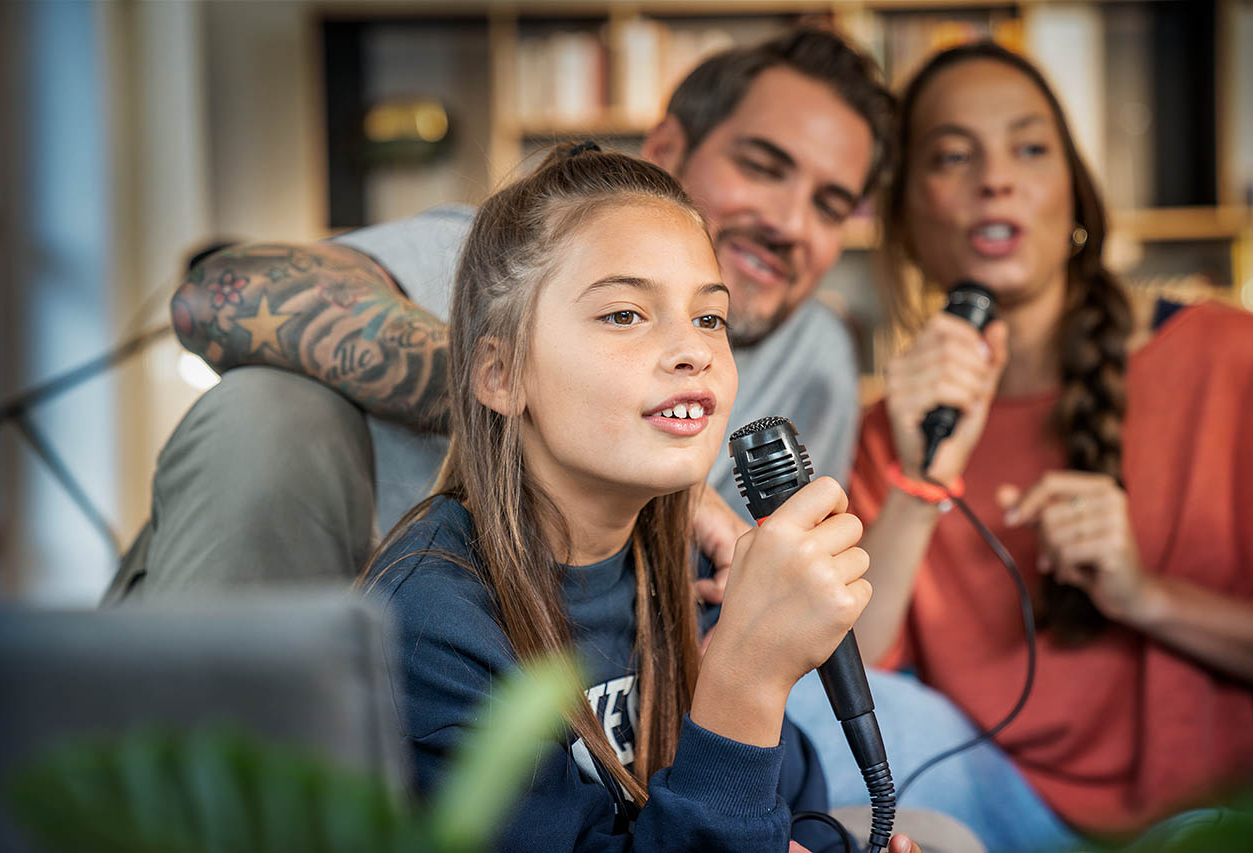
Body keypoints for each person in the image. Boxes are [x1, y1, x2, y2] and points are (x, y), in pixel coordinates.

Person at [104, 27, 892, 600]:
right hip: (331, 617)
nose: (791, 222)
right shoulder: (493, 262)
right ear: (669, 147)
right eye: (762, 167)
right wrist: (553, 397)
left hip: (556, 694)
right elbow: (219, 298)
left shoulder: (814, 350)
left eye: (830, 204)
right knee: (266, 409)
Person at [359, 141, 921, 853]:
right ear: (501, 374)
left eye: (709, 317)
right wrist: (744, 675)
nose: (693, 349)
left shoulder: (684, 573)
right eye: (625, 314)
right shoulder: (431, 625)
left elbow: (783, 806)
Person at [791, 40, 1253, 850]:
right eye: (952, 155)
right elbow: (849, 691)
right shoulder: (887, 428)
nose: (994, 179)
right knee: (798, 700)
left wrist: (1145, 595)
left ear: (1075, 195)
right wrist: (921, 480)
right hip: (998, 813)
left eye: (1029, 148)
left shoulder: (1229, 359)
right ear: (906, 221)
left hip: (1201, 816)